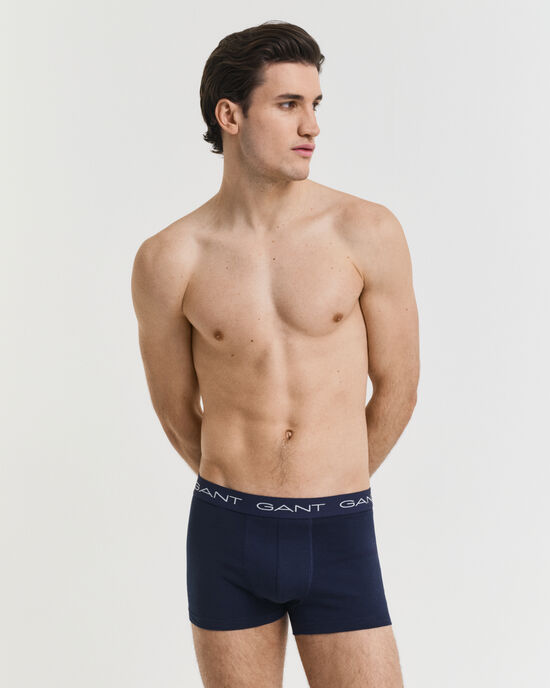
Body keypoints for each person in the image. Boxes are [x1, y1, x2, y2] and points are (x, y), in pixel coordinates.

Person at [131, 20, 419, 688]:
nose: (311, 126)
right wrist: (246, 490)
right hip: (226, 534)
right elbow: (175, 409)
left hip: (339, 528)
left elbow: (399, 387)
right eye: (289, 104)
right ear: (230, 115)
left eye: (315, 104)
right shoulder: (169, 258)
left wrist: (332, 480)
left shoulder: (366, 231)